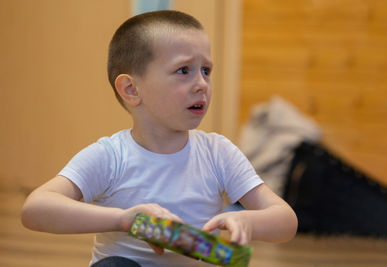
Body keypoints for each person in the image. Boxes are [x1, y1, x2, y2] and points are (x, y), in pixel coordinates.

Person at [21, 10, 297, 267]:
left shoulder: (218, 152)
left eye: (206, 70)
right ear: (131, 89)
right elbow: (36, 209)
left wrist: (249, 221)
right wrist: (123, 220)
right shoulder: (110, 156)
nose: (201, 83)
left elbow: (285, 220)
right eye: (183, 70)